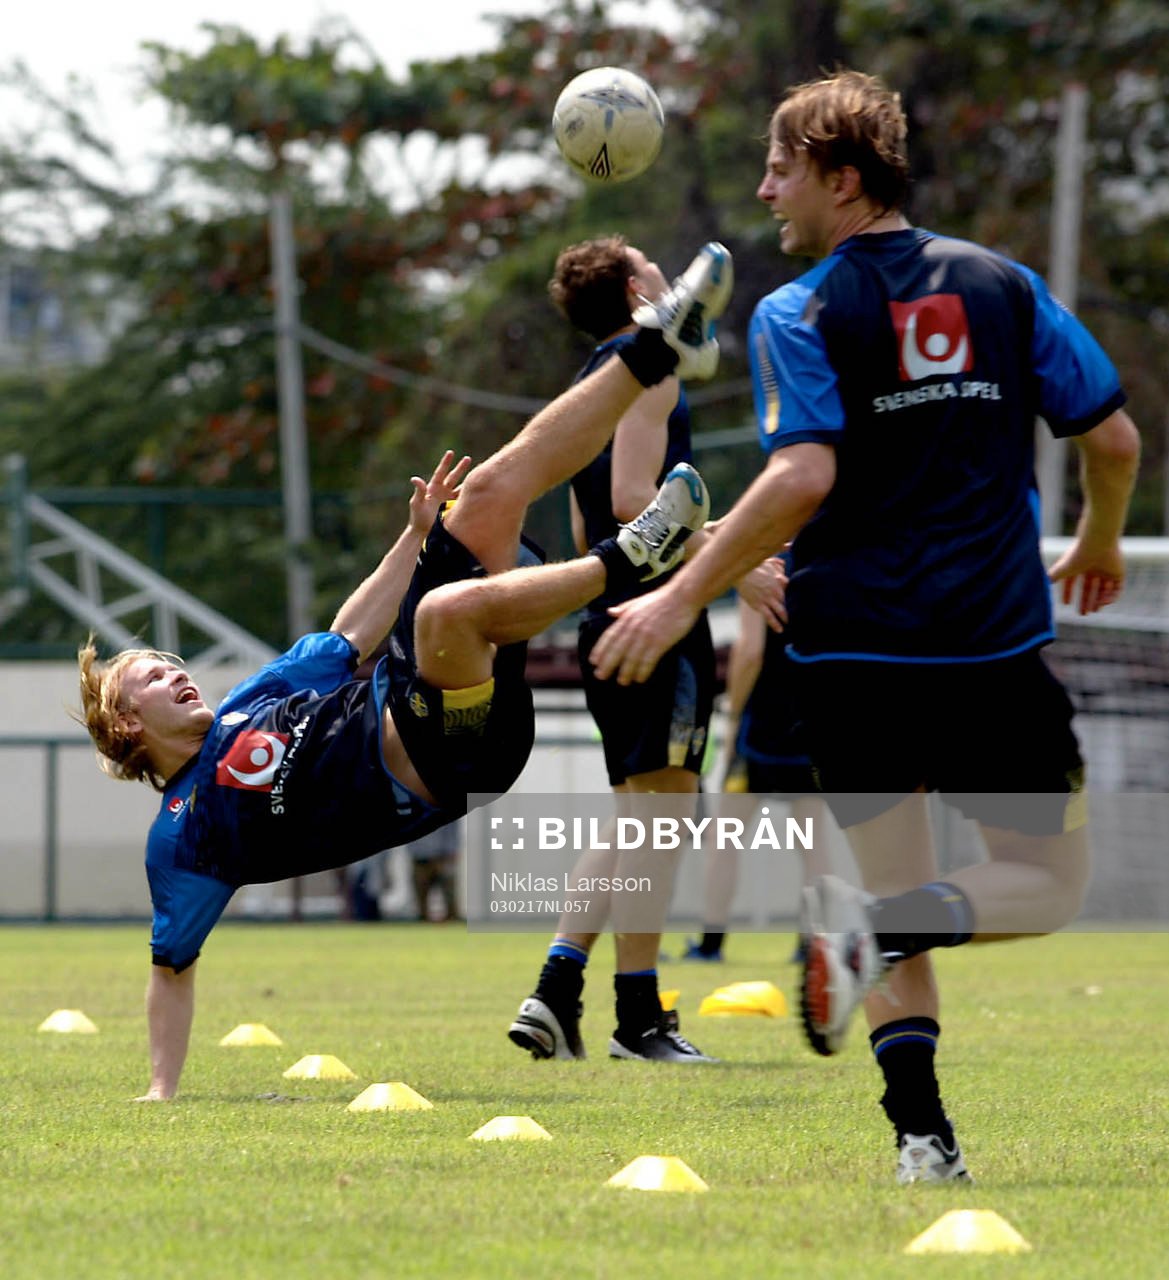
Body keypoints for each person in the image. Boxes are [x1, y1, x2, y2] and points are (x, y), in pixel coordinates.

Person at [590, 70, 1141, 1184]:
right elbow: (1113, 438)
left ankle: (921, 1142)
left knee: (887, 891)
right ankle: (878, 936)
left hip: (849, 653)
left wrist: (676, 589)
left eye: (780, 169)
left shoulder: (797, 313)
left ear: (842, 179)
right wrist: (1094, 540)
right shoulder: (1004, 285)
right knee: (1038, 882)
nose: (763, 192)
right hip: (988, 644)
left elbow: (801, 472)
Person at [74, 240, 742, 1101]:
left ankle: (654, 345)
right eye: (155, 683)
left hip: (417, 686)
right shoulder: (183, 836)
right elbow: (171, 967)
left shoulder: (249, 703)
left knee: (488, 495)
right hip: (445, 760)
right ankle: (631, 559)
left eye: (172, 667)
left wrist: (418, 532)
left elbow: (350, 631)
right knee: (442, 616)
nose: (178, 677)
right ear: (129, 728)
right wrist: (162, 1090)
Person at [508, 236, 723, 1064]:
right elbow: (639, 500)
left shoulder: (590, 382)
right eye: (654, 264)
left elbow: (583, 521)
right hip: (653, 613)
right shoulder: (649, 368)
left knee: (638, 818)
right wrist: (734, 561)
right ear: (639, 287)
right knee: (658, 821)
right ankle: (638, 1021)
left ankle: (556, 993)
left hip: (609, 606)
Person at [681, 588, 827, 963]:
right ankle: (814, 945)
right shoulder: (822, 563)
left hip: (761, 725)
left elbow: (750, 650)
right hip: (810, 720)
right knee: (813, 843)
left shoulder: (760, 565)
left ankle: (710, 944)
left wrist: (732, 717)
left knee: (724, 838)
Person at [408, 818, 462, 922]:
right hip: (420, 857)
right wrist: (413, 852)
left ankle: (453, 918)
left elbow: (452, 831)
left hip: (442, 856)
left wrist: (452, 852)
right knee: (421, 895)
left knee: (449, 892)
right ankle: (423, 919)